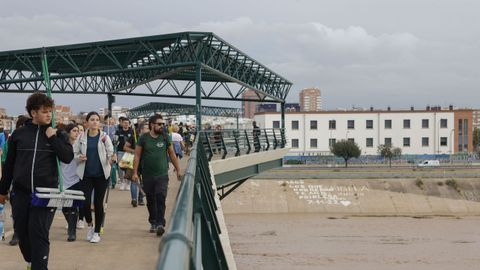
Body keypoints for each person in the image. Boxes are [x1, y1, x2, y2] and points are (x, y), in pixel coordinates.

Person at [0, 92, 73, 270]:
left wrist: (52, 137)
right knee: (23, 234)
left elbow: (67, 157)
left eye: (51, 111)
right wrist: (2, 191)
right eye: (45, 111)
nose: (49, 115)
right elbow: (9, 165)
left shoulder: (59, 134)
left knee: (38, 233)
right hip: (21, 193)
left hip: (46, 194)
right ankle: (32, 262)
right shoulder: (19, 134)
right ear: (33, 113)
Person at [132, 114, 182, 236]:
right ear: (152, 125)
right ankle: (153, 222)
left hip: (162, 175)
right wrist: (135, 172)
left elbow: (172, 154)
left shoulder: (165, 137)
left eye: (163, 124)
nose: (162, 126)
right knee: (150, 200)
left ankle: (160, 223)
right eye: (159, 124)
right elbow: (137, 155)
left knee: (160, 198)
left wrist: (178, 170)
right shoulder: (143, 138)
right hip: (147, 175)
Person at [74, 111, 115, 243]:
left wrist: (111, 158)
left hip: (101, 175)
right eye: (92, 119)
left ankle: (97, 232)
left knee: (98, 203)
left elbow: (111, 151)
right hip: (85, 175)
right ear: (86, 122)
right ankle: (90, 225)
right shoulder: (81, 137)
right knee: (85, 203)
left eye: (97, 119)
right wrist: (79, 157)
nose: (95, 122)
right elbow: (74, 153)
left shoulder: (104, 137)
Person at [58, 123, 83, 242]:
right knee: (64, 207)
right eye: (74, 130)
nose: (77, 132)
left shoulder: (81, 146)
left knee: (73, 206)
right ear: (68, 133)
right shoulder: (62, 146)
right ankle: (72, 224)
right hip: (63, 179)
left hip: (76, 179)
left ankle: (71, 232)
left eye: (78, 131)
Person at [115, 118, 134, 191]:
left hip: (129, 152)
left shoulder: (132, 131)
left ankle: (128, 183)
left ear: (129, 124)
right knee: (120, 168)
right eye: (124, 123)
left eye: (127, 123)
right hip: (120, 151)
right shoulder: (118, 132)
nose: (126, 124)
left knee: (128, 168)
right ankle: (122, 182)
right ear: (122, 123)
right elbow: (115, 141)